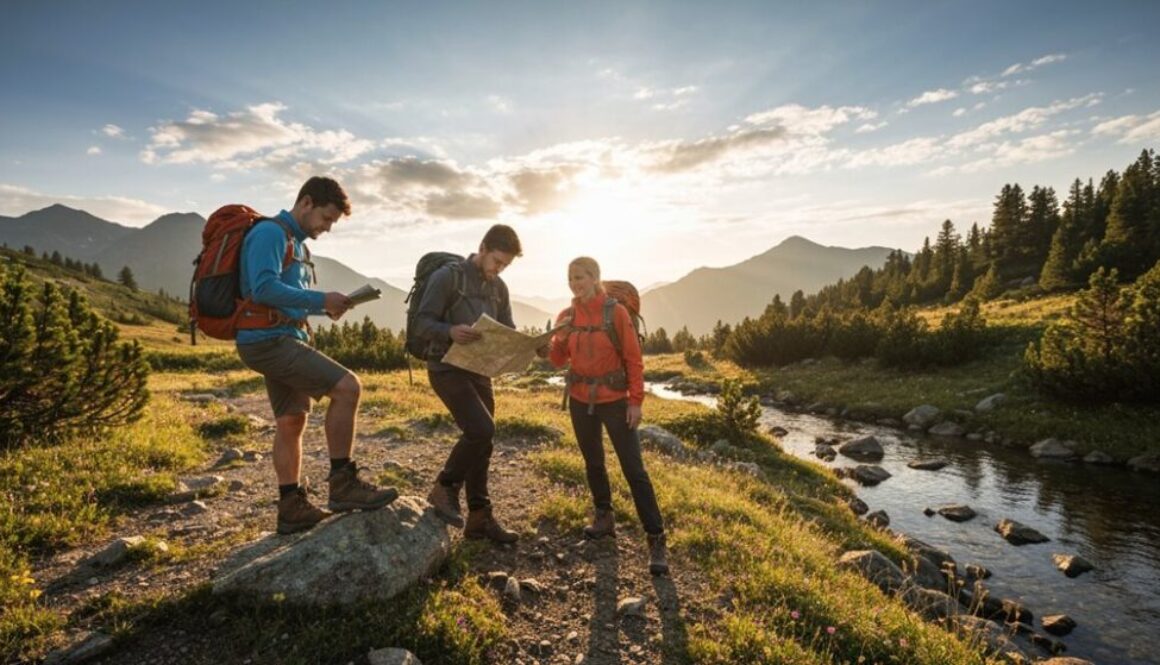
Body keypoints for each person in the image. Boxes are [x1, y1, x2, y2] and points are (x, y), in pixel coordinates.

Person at [235, 176, 398, 535]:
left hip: (282, 336)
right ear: (306, 203)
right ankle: (343, 483)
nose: (327, 227)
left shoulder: (298, 245)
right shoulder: (271, 234)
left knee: (292, 421)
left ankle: (290, 506)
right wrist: (321, 299)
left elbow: (288, 297)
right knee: (348, 387)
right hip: (267, 340)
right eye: (326, 218)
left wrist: (326, 308)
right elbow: (262, 288)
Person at [548, 257, 669, 575]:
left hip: (616, 402)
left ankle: (655, 538)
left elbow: (634, 359)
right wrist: (557, 341)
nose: (575, 283)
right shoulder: (566, 316)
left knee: (634, 470)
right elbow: (558, 361)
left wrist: (636, 401)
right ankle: (604, 517)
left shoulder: (615, 313)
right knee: (593, 462)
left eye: (581, 277)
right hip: (579, 400)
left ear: (595, 278)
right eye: (571, 278)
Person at [411, 225, 526, 543]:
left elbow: (508, 329)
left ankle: (479, 518)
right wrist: (450, 331)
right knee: (481, 430)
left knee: (483, 443)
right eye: (497, 262)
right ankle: (444, 487)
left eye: (505, 265)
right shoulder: (448, 277)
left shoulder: (499, 287)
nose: (499, 270)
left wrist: (531, 346)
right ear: (483, 247)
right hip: (446, 368)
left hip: (480, 370)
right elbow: (421, 323)